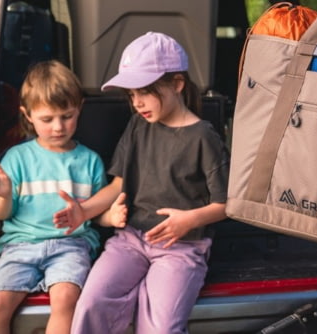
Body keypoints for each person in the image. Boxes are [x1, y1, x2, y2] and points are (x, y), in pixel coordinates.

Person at [52, 31, 230, 334]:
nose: (137, 103)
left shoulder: (203, 137)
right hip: (131, 241)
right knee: (90, 305)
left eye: (144, 92)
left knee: (160, 328)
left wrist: (189, 220)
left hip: (181, 247)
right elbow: (118, 185)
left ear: (176, 84)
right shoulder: (138, 126)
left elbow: (227, 204)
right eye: (132, 95)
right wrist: (85, 211)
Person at [0, 60, 108, 334]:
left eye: (67, 116)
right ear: (28, 115)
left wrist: (112, 215)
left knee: (65, 299)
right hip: (20, 246)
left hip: (71, 246)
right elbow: (2, 215)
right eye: (47, 119)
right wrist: (3, 196)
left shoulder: (90, 161)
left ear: (79, 108)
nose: (58, 127)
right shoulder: (16, 158)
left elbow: (97, 213)